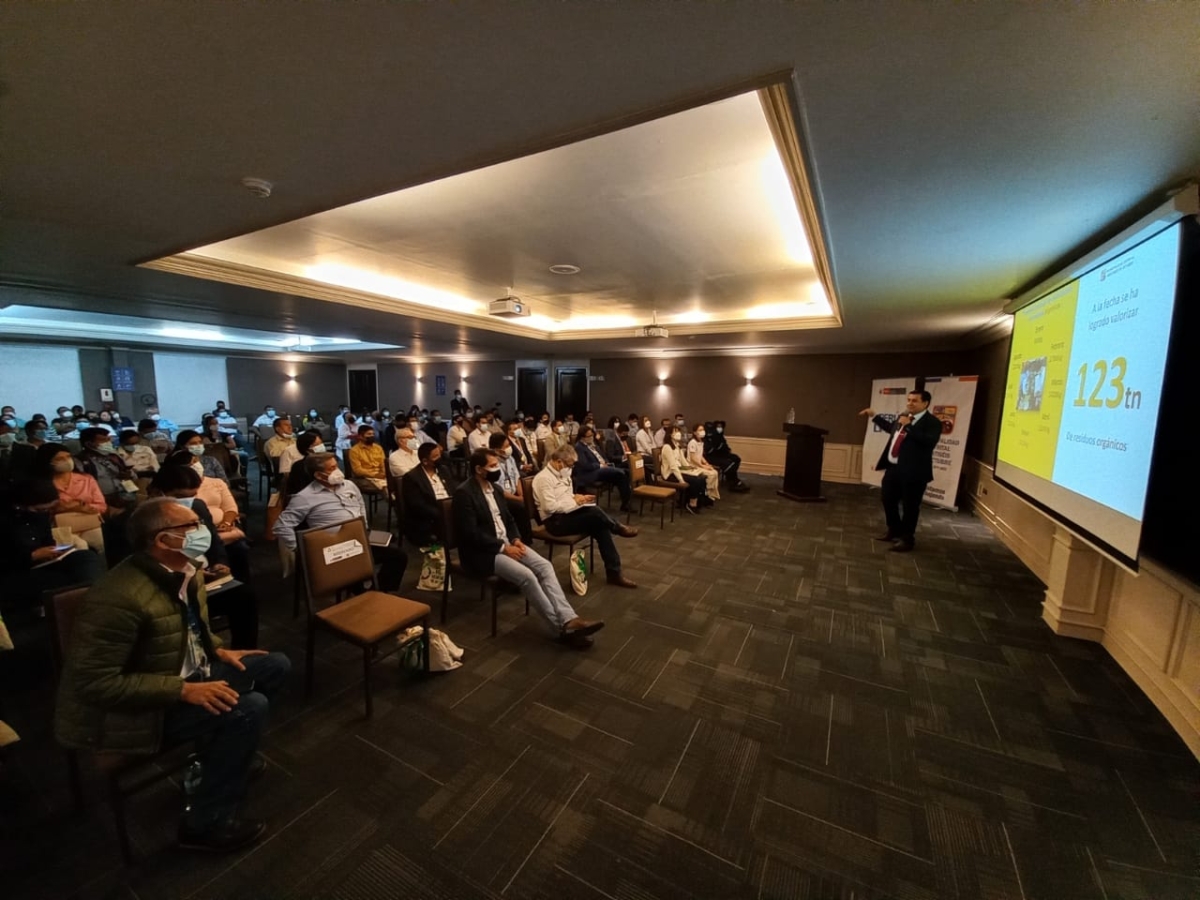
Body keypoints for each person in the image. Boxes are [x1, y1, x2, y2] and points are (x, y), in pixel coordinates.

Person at [54, 498, 289, 852]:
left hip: (185, 673)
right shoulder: (118, 598)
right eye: (192, 526)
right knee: (248, 708)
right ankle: (204, 824)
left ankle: (215, 758)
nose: (203, 530)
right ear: (163, 540)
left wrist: (217, 649)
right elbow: (92, 683)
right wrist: (182, 690)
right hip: (139, 707)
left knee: (275, 665)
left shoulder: (185, 570)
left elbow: (188, 628)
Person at [454, 449, 604, 648]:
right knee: (527, 576)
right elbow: (470, 533)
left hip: (506, 543)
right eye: (492, 466)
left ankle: (569, 618)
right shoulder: (464, 493)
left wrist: (515, 539)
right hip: (482, 552)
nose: (497, 468)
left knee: (544, 566)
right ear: (479, 469)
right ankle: (560, 627)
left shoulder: (495, 489)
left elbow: (508, 519)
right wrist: (503, 548)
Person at [148, 465, 258, 649]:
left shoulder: (196, 506)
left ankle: (244, 653)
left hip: (204, 578)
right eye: (180, 496)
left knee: (245, 596)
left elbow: (214, 541)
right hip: (170, 588)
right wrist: (189, 574)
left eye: (192, 495)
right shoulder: (142, 521)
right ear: (158, 492)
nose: (187, 502)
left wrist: (220, 562)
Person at [274, 454, 408, 590]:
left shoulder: (349, 485)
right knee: (355, 569)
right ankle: (362, 594)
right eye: (331, 468)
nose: (337, 471)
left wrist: (364, 527)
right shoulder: (305, 497)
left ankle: (377, 592)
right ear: (319, 475)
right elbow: (281, 526)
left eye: (336, 466)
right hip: (335, 548)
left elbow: (360, 504)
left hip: (358, 540)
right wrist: (300, 550)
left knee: (398, 556)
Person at [531, 445, 638, 588]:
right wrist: (575, 502)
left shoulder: (563, 472)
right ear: (558, 462)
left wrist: (578, 497)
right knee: (595, 515)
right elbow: (550, 507)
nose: (571, 468)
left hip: (569, 513)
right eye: (569, 465)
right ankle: (617, 528)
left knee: (600, 525)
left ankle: (614, 573)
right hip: (555, 522)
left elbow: (567, 496)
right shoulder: (544, 479)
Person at [859, 390, 943, 552]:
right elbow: (891, 429)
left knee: (910, 507)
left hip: (914, 472)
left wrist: (909, 426)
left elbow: (929, 442)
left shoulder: (932, 422)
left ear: (925, 403)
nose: (910, 403)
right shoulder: (904, 417)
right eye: (908, 400)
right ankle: (894, 530)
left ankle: (907, 539)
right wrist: (874, 416)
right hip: (894, 469)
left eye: (914, 401)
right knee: (887, 499)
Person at [0, 479, 105, 608]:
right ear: (21, 506)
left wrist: (53, 551)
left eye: (48, 509)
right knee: (66, 579)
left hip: (43, 563)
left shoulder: (41, 516)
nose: (45, 512)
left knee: (86, 556)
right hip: (16, 571)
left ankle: (95, 598)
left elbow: (47, 540)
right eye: (40, 510)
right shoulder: (5, 521)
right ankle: (89, 602)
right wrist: (32, 556)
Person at [400, 442, 450, 550]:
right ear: (425, 461)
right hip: (428, 518)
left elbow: (453, 491)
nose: (439, 458)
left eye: (439, 454)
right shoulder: (411, 478)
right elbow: (418, 505)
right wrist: (443, 513)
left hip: (448, 509)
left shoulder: (443, 470)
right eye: (435, 456)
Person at [573, 425, 632, 512]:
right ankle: (625, 503)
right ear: (582, 437)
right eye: (588, 436)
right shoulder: (579, 447)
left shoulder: (593, 444)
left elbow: (604, 456)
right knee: (620, 472)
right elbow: (585, 465)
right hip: (591, 472)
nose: (591, 437)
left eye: (592, 435)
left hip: (602, 468)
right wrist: (600, 465)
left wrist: (606, 463)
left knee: (623, 475)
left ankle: (626, 503)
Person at [488, 432, 533, 543]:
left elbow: (517, 478)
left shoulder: (510, 459)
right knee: (519, 507)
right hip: (501, 497)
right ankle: (522, 540)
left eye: (509, 445)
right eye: (506, 446)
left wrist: (521, 494)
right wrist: (517, 498)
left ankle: (529, 537)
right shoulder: (493, 464)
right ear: (497, 450)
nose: (509, 448)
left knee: (529, 499)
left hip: (514, 493)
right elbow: (498, 489)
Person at [78, 427, 139, 509]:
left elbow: (134, 476)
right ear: (89, 444)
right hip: (100, 498)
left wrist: (129, 474)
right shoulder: (81, 461)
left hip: (124, 494)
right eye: (103, 441)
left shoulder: (114, 456)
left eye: (108, 440)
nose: (108, 443)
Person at [40, 444, 107, 516]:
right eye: (59, 459)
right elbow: (40, 511)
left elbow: (101, 506)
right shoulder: (42, 485)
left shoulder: (87, 479)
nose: (66, 461)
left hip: (88, 521)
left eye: (68, 457)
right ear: (48, 462)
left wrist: (80, 508)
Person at [660, 429, 706, 514]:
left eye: (678, 432)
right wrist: (681, 480)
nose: (678, 434)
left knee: (701, 477)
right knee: (695, 480)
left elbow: (683, 460)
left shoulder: (677, 445)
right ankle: (692, 505)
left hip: (679, 470)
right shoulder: (667, 447)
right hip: (670, 474)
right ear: (670, 434)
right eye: (675, 432)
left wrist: (690, 468)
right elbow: (673, 466)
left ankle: (690, 501)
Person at [704, 420, 749, 492]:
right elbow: (711, 449)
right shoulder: (708, 437)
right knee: (728, 464)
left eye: (721, 427)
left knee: (736, 459)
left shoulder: (720, 436)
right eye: (718, 427)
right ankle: (733, 482)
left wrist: (727, 449)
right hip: (712, 457)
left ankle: (732, 477)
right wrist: (719, 447)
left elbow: (724, 446)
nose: (720, 428)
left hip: (722, 454)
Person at [284, 431, 327, 496]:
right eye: (317, 445)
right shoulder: (299, 466)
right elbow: (300, 489)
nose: (321, 446)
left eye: (321, 443)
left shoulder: (328, 461)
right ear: (307, 449)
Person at [347, 424, 387, 491]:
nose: (372, 436)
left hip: (380, 476)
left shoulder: (378, 448)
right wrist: (375, 475)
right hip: (363, 478)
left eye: (373, 434)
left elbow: (383, 464)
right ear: (360, 436)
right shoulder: (354, 451)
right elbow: (357, 470)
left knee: (396, 483)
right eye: (369, 434)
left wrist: (383, 473)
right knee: (384, 487)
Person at [686, 424, 721, 500]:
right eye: (700, 430)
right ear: (695, 432)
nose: (702, 431)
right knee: (711, 474)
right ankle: (706, 493)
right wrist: (703, 466)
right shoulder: (692, 442)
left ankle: (712, 493)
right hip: (693, 466)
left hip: (699, 464)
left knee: (715, 472)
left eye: (703, 429)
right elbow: (693, 458)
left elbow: (700, 455)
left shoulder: (701, 442)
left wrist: (706, 463)